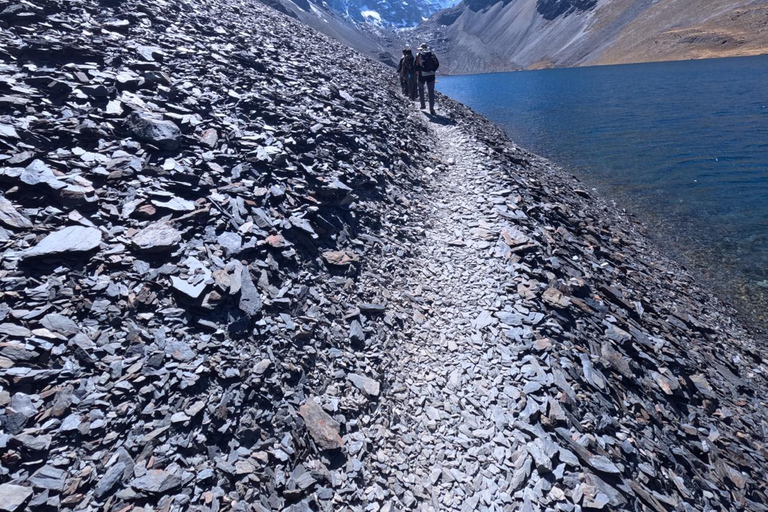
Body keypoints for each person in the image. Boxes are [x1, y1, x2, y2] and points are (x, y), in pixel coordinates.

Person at [415, 44, 439, 115]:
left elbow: (415, 66)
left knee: (421, 89)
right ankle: (431, 108)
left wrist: (418, 71)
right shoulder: (432, 54)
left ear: (421, 49)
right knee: (431, 92)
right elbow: (437, 64)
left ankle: (423, 105)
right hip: (431, 75)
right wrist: (433, 70)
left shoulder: (418, 55)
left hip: (422, 76)